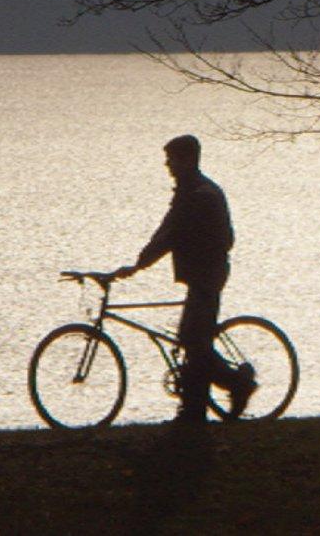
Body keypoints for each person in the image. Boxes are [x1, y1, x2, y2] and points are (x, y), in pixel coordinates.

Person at [113, 134, 257, 423]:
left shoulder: (200, 195)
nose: (167, 165)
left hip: (207, 274)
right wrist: (139, 262)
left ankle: (231, 387)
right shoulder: (190, 192)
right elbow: (166, 230)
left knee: (195, 342)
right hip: (201, 274)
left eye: (172, 159)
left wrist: (140, 264)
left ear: (188, 160)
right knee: (192, 340)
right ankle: (196, 408)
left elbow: (172, 234)